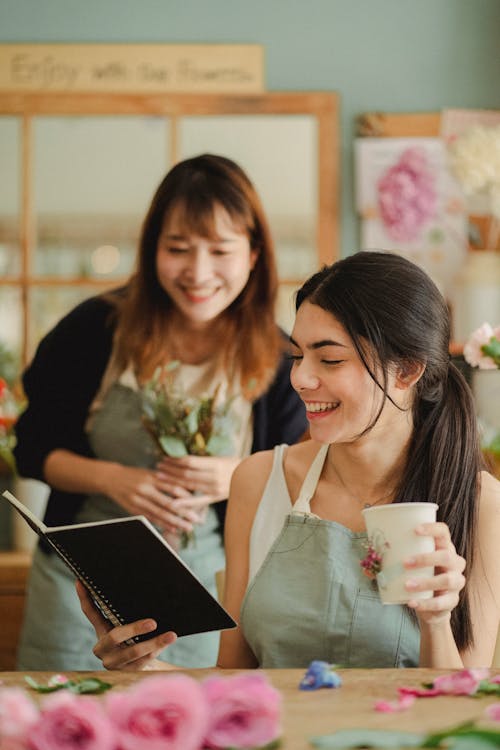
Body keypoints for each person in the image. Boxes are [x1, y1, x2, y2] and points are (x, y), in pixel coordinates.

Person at [79, 250, 500, 670]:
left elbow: (457, 708)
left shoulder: (481, 504)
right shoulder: (260, 481)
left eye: (330, 359)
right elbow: (235, 679)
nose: (300, 378)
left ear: (407, 371)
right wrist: (144, 666)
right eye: (298, 355)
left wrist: (436, 620)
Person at [14, 153, 308, 670]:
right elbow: (32, 450)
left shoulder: (284, 359)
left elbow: (305, 480)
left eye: (220, 250)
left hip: (201, 592)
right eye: (178, 248)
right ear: (153, 250)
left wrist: (239, 476)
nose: (198, 273)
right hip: (76, 587)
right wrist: (113, 478)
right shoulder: (93, 330)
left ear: (254, 254)